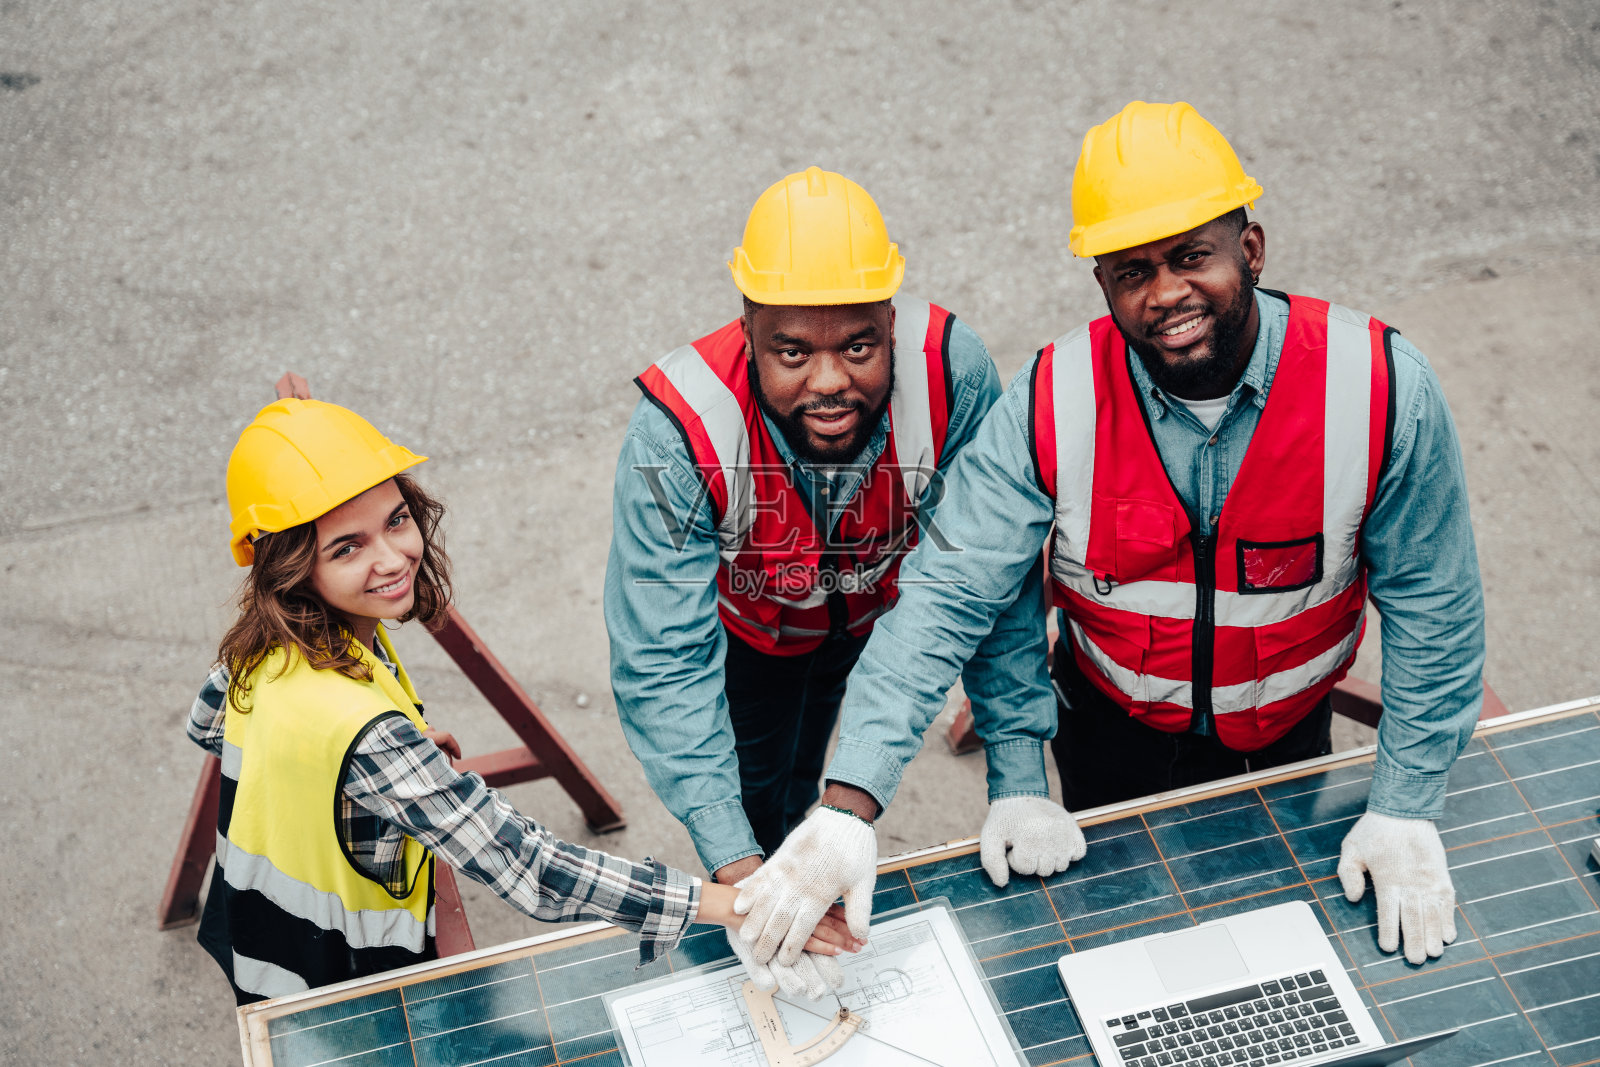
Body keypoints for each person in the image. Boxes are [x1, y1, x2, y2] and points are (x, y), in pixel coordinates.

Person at [736, 102, 1485, 970]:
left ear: (1251, 249)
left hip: (1286, 732)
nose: (1165, 292)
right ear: (1102, 286)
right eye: (1132, 271)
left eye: (1190, 256)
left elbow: (1437, 611)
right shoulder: (1052, 403)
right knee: (1120, 960)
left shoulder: (1380, 389)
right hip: (1107, 732)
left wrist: (1404, 802)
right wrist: (848, 806)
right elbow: (947, 595)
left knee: (1274, 953)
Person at [188, 396, 855, 1005]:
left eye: (396, 520)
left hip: (248, 917)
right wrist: (735, 904)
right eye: (348, 546)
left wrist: (380, 785)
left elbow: (208, 724)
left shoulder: (262, 645)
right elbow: (532, 868)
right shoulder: (368, 738)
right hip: (336, 973)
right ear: (291, 567)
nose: (393, 557)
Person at [605, 167, 1082, 907]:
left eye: (858, 348)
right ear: (747, 332)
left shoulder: (952, 376)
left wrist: (1018, 775)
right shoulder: (677, 436)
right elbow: (664, 661)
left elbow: (996, 579)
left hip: (880, 625)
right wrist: (736, 867)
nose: (828, 382)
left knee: (825, 760)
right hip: (753, 643)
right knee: (760, 785)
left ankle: (807, 814)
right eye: (792, 352)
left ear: (891, 323)